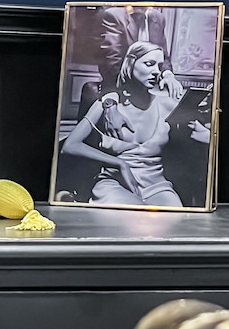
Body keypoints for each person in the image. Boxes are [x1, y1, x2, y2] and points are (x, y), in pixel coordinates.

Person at [62, 40, 183, 207]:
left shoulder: (168, 104)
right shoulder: (107, 104)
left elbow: (197, 134)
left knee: (174, 217)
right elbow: (70, 145)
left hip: (157, 186)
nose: (156, 71)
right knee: (131, 215)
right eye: (149, 64)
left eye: (159, 66)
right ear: (131, 64)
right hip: (114, 183)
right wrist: (120, 163)